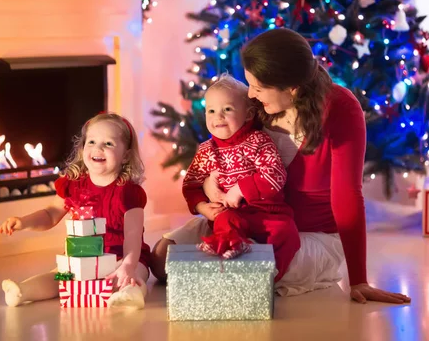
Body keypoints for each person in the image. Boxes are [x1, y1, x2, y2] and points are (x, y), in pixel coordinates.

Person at [151, 28, 411, 304]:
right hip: (249, 219)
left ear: (292, 88)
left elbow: (347, 195)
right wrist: (206, 183)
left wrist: (359, 279)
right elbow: (223, 149)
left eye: (258, 88)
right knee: (162, 259)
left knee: (248, 270)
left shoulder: (340, 108)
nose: (250, 93)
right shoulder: (259, 105)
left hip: (306, 236)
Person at [0, 112, 150, 309]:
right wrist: (23, 221)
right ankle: (22, 291)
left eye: (109, 144)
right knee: (59, 276)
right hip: (82, 256)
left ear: (126, 156)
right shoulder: (73, 185)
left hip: (121, 257)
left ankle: (131, 295)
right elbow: (51, 214)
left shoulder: (129, 192)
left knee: (134, 276)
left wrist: (128, 266)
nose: (98, 148)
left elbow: (133, 236)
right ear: (82, 148)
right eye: (92, 141)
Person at [183, 75, 300, 281]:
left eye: (227, 109)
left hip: (267, 213)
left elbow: (275, 174)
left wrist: (240, 189)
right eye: (211, 111)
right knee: (225, 222)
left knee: (287, 232)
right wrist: (202, 207)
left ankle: (268, 276)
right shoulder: (206, 151)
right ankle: (234, 256)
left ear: (248, 115)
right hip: (231, 214)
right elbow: (191, 184)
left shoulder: (258, 141)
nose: (218, 117)